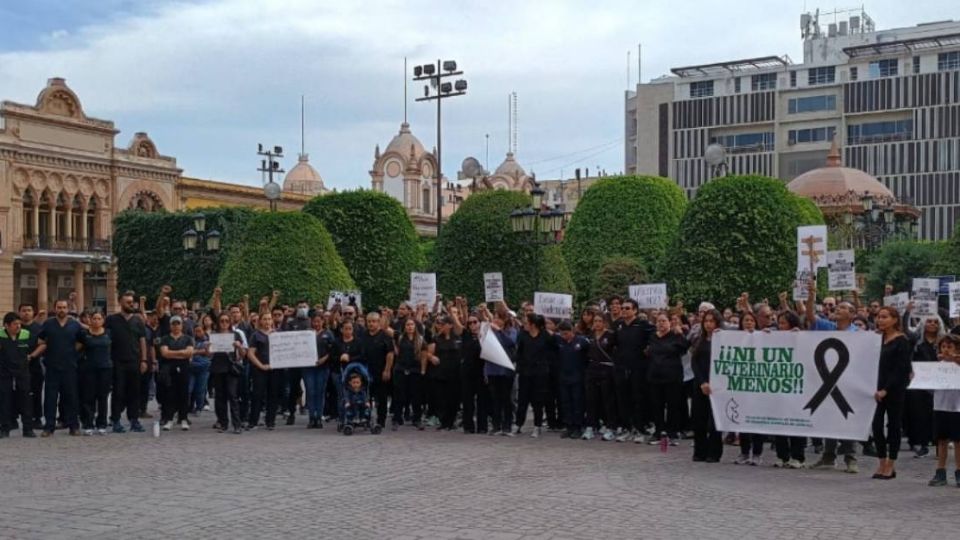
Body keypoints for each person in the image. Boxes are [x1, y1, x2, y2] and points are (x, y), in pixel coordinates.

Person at [806, 282, 861, 474]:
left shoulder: (858, 334)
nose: (838, 309)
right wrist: (812, 295)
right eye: (837, 307)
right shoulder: (828, 326)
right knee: (829, 418)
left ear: (852, 315)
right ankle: (828, 457)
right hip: (827, 381)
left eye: (843, 307)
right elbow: (811, 316)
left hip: (848, 382)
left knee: (846, 419)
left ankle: (851, 458)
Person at [871, 306, 912, 480]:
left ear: (895, 320)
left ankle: (891, 463)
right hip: (876, 389)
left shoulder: (902, 340)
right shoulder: (876, 339)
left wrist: (886, 389)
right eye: (879, 317)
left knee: (893, 426)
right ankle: (881, 461)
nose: (880, 320)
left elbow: (901, 369)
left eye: (885, 317)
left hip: (894, 389)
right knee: (876, 426)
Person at [35, 299, 84, 436]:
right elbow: (41, 340)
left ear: (68, 309)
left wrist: (71, 352)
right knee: (50, 398)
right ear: (55, 308)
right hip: (52, 366)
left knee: (71, 397)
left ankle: (73, 426)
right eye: (59, 307)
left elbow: (81, 342)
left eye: (64, 307)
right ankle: (49, 427)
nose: (61, 309)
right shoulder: (48, 324)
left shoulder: (74, 325)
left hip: (70, 367)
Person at [612, 299, 654, 443]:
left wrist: (648, 349)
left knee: (638, 399)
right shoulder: (618, 326)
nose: (624, 310)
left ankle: (640, 429)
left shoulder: (643, 325)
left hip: (638, 368)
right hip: (622, 368)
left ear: (635, 310)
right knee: (623, 400)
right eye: (623, 308)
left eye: (627, 308)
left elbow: (654, 338)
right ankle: (627, 428)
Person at [105, 291, 148, 433]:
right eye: (127, 301)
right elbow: (106, 338)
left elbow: (142, 340)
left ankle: (134, 420)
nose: (131, 303)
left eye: (132, 301)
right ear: (120, 303)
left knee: (134, 392)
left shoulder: (138, 320)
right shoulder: (111, 320)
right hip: (117, 361)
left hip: (134, 361)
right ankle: (116, 420)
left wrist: (144, 360)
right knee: (118, 391)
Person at [645, 312, 690, 446]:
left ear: (670, 322)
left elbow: (686, 346)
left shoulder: (675, 336)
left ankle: (672, 433)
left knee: (673, 406)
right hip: (655, 377)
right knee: (657, 406)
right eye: (659, 321)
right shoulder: (652, 337)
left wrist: (680, 333)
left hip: (672, 377)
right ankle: (658, 432)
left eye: (664, 321)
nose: (661, 324)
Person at [771, 310, 807, 469]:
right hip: (779, 387)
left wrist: (800, 337)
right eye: (779, 323)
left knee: (796, 422)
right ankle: (781, 455)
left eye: (784, 323)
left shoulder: (801, 337)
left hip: (796, 387)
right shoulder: (774, 337)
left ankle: (798, 456)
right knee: (779, 421)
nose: (780, 326)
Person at [904, 314, 942, 458]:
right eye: (929, 321)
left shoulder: (943, 341)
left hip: (939, 382)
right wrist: (907, 313)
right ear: (923, 324)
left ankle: (939, 445)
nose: (932, 324)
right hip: (919, 382)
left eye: (935, 322)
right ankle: (923, 445)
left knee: (937, 414)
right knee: (920, 414)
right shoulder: (916, 342)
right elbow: (908, 357)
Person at [514, 313, 555, 438]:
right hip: (525, 372)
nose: (524, 325)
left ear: (533, 324)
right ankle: (518, 424)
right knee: (522, 399)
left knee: (538, 400)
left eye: (526, 323)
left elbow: (552, 351)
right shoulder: (522, 335)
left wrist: (546, 365)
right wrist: (519, 365)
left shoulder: (545, 336)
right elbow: (519, 352)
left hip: (540, 373)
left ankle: (537, 426)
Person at [928, 334, 960, 487]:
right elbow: (929, 387)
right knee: (941, 440)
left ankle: (959, 472)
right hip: (940, 406)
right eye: (943, 347)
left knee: (958, 441)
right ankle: (940, 472)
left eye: (950, 347)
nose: (946, 350)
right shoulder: (936, 366)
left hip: (957, 407)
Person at [733, 311, 765, 465]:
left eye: (752, 320)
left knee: (757, 420)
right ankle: (744, 452)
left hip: (757, 385)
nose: (749, 323)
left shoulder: (762, 336)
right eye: (746, 320)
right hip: (741, 385)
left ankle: (757, 453)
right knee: (743, 420)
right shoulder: (733, 338)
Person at [691, 309, 722, 462]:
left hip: (716, 386)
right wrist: (702, 381)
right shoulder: (699, 340)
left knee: (714, 421)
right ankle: (700, 450)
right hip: (701, 384)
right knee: (699, 419)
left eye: (712, 321)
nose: (709, 324)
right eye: (706, 321)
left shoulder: (723, 339)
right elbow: (694, 362)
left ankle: (714, 452)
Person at [0, 312, 36, 438]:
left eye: (19, 324)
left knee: (26, 400)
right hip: (4, 373)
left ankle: (28, 429)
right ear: (6, 325)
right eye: (15, 324)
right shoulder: (1, 335)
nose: (18, 326)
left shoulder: (26, 334)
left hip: (23, 372)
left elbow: (41, 344)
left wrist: (32, 355)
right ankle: (4, 428)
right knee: (4, 400)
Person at [209, 312, 245, 434]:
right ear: (218, 323)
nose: (224, 323)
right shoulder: (214, 335)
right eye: (222, 321)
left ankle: (237, 424)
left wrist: (239, 346)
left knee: (233, 396)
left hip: (231, 369)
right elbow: (209, 354)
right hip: (217, 368)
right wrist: (208, 347)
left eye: (226, 321)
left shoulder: (235, 335)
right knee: (220, 397)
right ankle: (223, 423)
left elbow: (243, 355)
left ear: (230, 322)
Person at [583, 315, 617, 441]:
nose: (597, 323)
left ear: (605, 323)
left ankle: (610, 427)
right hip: (592, 368)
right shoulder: (589, 336)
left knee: (607, 399)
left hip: (606, 369)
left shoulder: (611, 335)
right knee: (591, 399)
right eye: (595, 321)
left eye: (600, 321)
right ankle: (590, 426)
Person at [78, 311, 112, 435]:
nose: (96, 321)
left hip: (105, 368)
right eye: (94, 318)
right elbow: (77, 348)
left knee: (103, 397)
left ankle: (102, 424)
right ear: (90, 320)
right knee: (88, 397)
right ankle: (88, 424)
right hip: (89, 369)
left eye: (99, 318)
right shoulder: (84, 335)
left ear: (103, 320)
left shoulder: (108, 333)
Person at [555, 320, 590, 439]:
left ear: (572, 331)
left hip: (578, 377)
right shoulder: (559, 341)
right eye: (562, 334)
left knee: (577, 402)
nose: (564, 336)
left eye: (566, 333)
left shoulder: (582, 341)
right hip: (564, 377)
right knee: (565, 402)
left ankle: (578, 426)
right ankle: (568, 426)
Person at [159, 315, 195, 431]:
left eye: (178, 323)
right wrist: (181, 353)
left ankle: (183, 418)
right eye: (173, 324)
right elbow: (164, 353)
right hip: (169, 368)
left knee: (184, 393)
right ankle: (169, 419)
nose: (176, 326)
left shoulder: (188, 338)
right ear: (170, 325)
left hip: (184, 368)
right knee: (170, 394)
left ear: (181, 325)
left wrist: (173, 352)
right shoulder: (165, 338)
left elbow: (189, 353)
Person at [427, 315, 462, 431]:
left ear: (450, 325)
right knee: (441, 398)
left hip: (455, 373)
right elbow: (428, 353)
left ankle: (451, 421)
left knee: (453, 398)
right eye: (440, 324)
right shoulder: (436, 338)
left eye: (444, 324)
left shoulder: (457, 338)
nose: (441, 326)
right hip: (441, 372)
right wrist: (432, 357)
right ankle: (443, 422)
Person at [247, 314, 281, 430]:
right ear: (260, 321)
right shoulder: (256, 335)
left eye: (269, 319)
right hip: (260, 370)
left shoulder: (277, 335)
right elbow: (250, 353)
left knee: (273, 395)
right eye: (265, 319)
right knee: (257, 395)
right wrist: (261, 365)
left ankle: (270, 421)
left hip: (275, 369)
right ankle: (253, 421)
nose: (267, 321)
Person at [485, 311, 516, 436]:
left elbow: (510, 342)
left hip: (505, 370)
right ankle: (496, 425)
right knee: (495, 399)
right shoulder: (490, 333)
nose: (496, 320)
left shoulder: (511, 331)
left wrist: (499, 331)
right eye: (495, 318)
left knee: (506, 398)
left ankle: (507, 425)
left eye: (499, 318)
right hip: (492, 369)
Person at [362, 312, 394, 429]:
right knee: (366, 397)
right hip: (366, 372)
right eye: (369, 321)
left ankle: (381, 420)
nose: (371, 324)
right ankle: (367, 419)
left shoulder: (385, 336)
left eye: (373, 321)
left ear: (379, 322)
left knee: (382, 397)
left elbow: (390, 354)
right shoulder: (363, 335)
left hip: (381, 371)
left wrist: (387, 370)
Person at [303, 312, 334, 429]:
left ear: (323, 321)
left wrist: (324, 359)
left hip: (323, 367)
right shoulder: (306, 334)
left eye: (319, 321)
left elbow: (333, 350)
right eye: (314, 321)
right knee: (310, 392)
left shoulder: (328, 334)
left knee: (320, 392)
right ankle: (312, 417)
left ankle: (319, 417)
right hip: (308, 368)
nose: (316, 323)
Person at [392, 318, 425, 430]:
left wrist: (423, 370)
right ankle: (397, 419)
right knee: (399, 396)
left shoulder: (420, 339)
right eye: (407, 325)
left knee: (416, 396)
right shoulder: (400, 338)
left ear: (415, 326)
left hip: (414, 371)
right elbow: (385, 328)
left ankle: (417, 419)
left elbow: (424, 355)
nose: (410, 327)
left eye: (412, 324)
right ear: (404, 327)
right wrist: (386, 316)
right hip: (401, 370)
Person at [460, 312, 488, 434]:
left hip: (481, 372)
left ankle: (482, 426)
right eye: (469, 322)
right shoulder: (465, 335)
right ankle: (468, 426)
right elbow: (457, 324)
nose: (472, 324)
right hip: (467, 372)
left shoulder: (485, 336)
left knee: (482, 400)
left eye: (475, 322)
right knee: (467, 400)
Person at [334, 319, 365, 430]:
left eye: (350, 329)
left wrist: (349, 358)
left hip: (355, 373)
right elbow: (332, 356)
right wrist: (340, 358)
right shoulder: (337, 342)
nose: (348, 331)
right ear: (341, 330)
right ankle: (342, 419)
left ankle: (358, 417)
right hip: (339, 372)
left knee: (356, 395)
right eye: (345, 329)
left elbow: (362, 355)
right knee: (342, 396)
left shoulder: (358, 342)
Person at [18, 304, 43, 431]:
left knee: (36, 393)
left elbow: (44, 344)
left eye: (29, 310)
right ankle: (16, 418)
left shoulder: (39, 328)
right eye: (24, 311)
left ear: (33, 312)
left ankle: (37, 418)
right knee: (19, 392)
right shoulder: (15, 327)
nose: (26, 313)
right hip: (17, 367)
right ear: (19, 313)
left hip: (35, 365)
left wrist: (32, 356)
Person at [189, 325, 211, 414]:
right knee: (189, 389)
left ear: (203, 331)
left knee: (200, 389)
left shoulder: (208, 340)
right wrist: (200, 351)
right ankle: (189, 407)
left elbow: (208, 352)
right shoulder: (191, 340)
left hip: (204, 367)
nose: (197, 333)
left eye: (199, 331)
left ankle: (199, 407)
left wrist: (195, 351)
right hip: (191, 367)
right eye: (195, 331)